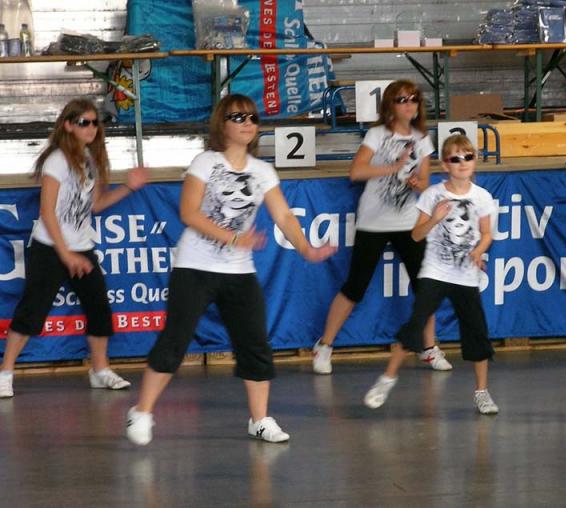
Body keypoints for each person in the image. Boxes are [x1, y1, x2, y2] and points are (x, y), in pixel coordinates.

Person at [125, 94, 335, 446]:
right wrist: (234, 237)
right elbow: (189, 212)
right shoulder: (206, 162)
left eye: (252, 117)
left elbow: (284, 216)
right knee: (176, 339)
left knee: (254, 342)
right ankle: (142, 411)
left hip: (239, 272)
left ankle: (260, 419)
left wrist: (306, 249)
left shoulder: (262, 171)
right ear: (222, 125)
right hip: (195, 266)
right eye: (238, 117)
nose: (247, 123)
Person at [0, 98, 147, 398]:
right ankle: (5, 372)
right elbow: (47, 211)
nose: (91, 128)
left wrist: (128, 187)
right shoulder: (57, 161)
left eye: (95, 123)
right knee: (32, 311)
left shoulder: (89, 160)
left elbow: (96, 205)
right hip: (50, 246)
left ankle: (100, 370)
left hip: (81, 246)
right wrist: (65, 253)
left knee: (99, 309)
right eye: (84, 123)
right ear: (68, 125)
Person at [312, 80, 452, 374]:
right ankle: (324, 346)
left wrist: (415, 182)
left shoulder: (422, 139)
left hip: (408, 222)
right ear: (390, 105)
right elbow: (356, 171)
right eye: (402, 99)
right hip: (373, 222)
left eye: (413, 99)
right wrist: (393, 167)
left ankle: (429, 348)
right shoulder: (377, 134)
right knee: (355, 287)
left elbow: (425, 183)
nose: (409, 104)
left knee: (425, 285)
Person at [363, 134, 497, 414]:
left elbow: (486, 234)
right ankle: (387, 379)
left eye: (468, 157)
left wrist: (478, 252)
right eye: (455, 159)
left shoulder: (482, 197)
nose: (462, 163)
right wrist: (435, 218)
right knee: (416, 324)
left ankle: (482, 391)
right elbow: (416, 235)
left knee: (477, 331)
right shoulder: (432, 194)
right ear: (445, 165)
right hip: (435, 272)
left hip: (465, 277)